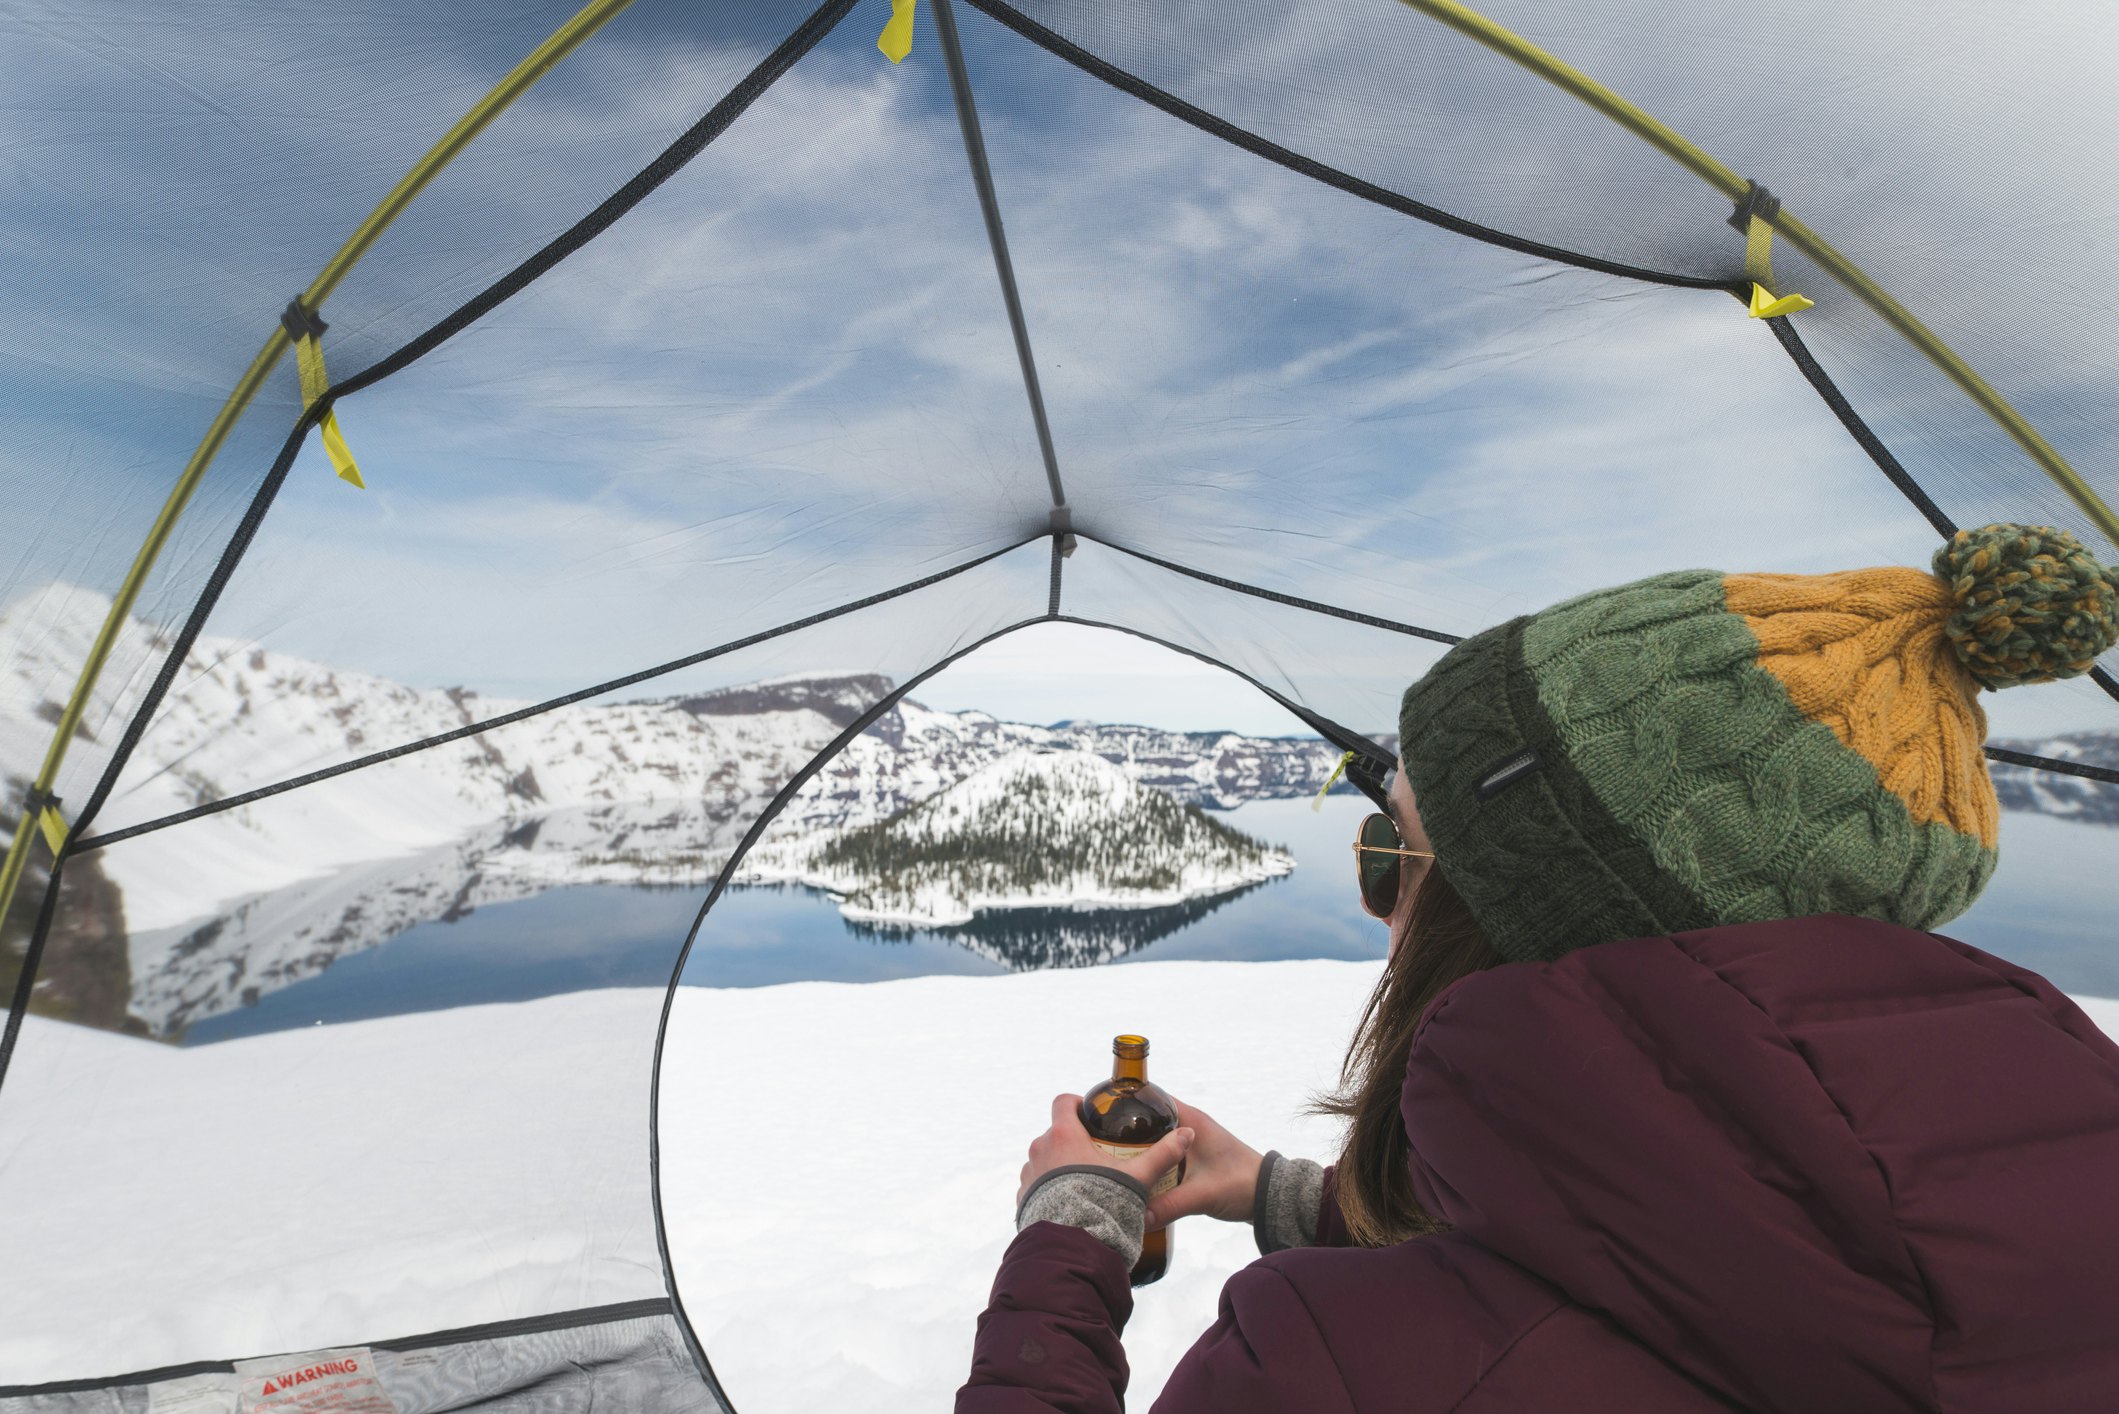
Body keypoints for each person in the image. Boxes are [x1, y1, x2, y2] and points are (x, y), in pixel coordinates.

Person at [957, 523, 2119, 1412]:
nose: (1382, 906)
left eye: (1392, 853)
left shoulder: (1340, 1366)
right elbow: (1679, 1263)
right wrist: (1287, 1197)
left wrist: (1073, 1232)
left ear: (1515, 912)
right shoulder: (2043, 1221)